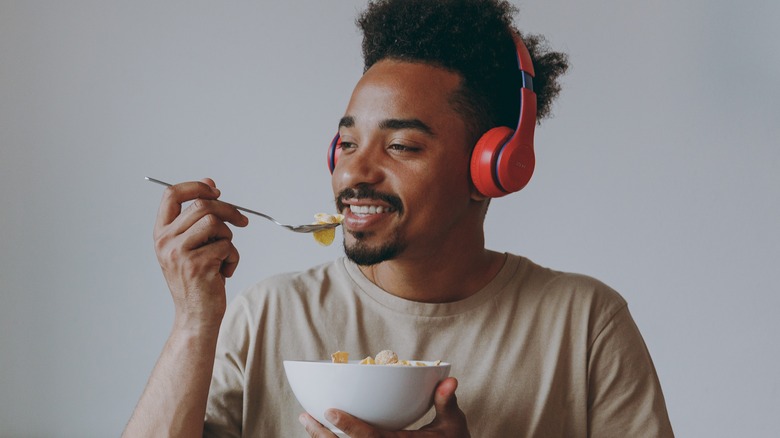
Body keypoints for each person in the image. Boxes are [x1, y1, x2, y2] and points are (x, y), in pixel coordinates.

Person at [124, 0, 674, 436]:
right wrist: (195, 319)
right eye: (347, 142)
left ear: (495, 167)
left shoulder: (584, 325)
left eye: (402, 146)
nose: (354, 172)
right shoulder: (265, 315)